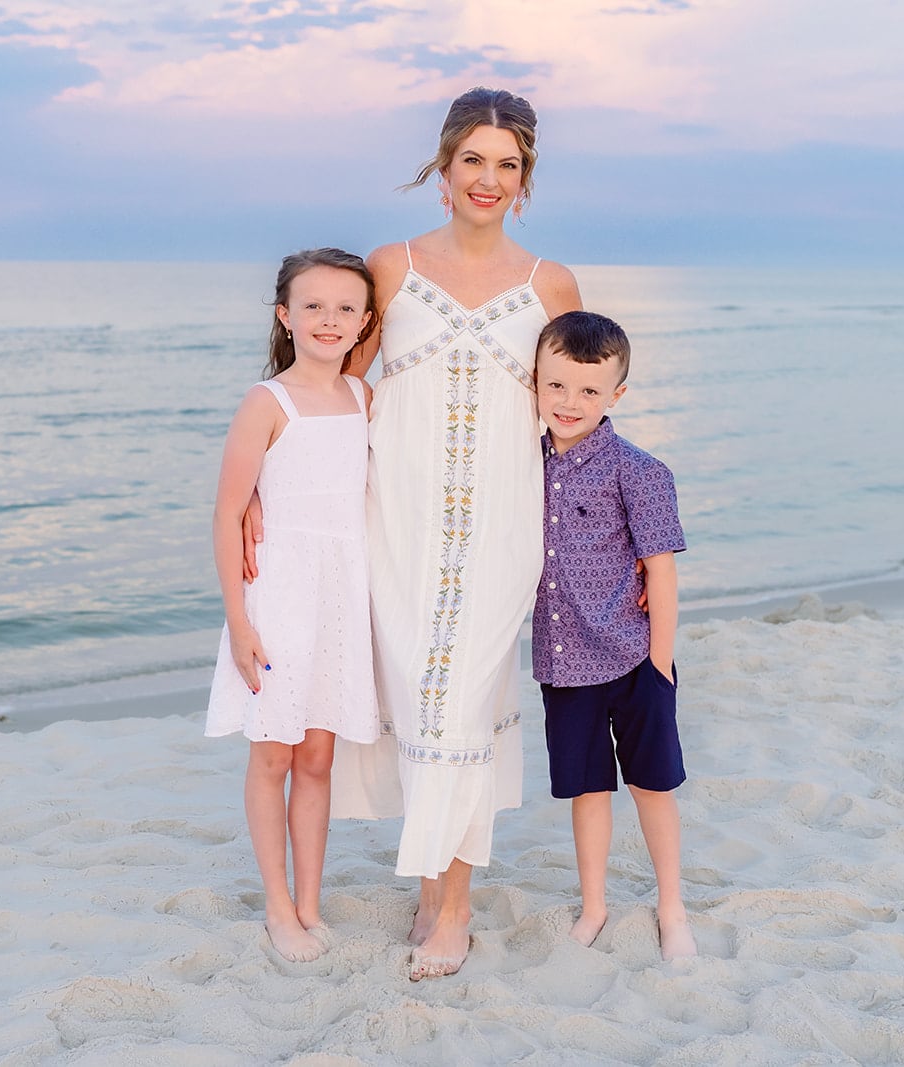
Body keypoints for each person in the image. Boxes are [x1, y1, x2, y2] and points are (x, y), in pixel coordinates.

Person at [311, 87, 583, 980]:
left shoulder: (551, 286)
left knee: (462, 703)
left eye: (507, 164)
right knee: (420, 701)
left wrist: (611, 531)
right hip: (397, 522)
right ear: (444, 166)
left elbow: (576, 416)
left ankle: (454, 907)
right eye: (473, 160)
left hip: (503, 528)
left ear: (525, 180)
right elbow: (341, 392)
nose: (488, 179)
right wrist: (281, 490)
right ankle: (433, 887)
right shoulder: (390, 267)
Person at [206, 248, 381, 963]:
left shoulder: (364, 396)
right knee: (273, 755)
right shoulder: (267, 402)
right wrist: (239, 622)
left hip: (340, 595)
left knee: (317, 757)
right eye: (312, 306)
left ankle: (310, 902)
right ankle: (278, 908)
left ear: (365, 321)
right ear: (285, 316)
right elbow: (226, 514)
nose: (328, 320)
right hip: (278, 596)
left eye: (345, 308)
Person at [531, 310, 697, 961]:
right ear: (535, 382)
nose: (570, 402)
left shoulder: (640, 471)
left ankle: (672, 905)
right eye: (556, 385)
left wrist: (660, 664)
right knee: (588, 788)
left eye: (589, 390)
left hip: (632, 658)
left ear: (616, 395)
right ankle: (594, 905)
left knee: (652, 785)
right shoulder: (525, 464)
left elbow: (662, 570)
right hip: (563, 662)